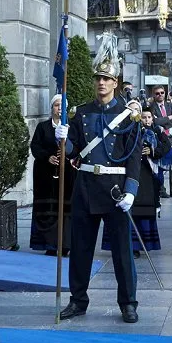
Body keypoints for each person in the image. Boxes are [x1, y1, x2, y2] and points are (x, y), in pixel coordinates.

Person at [55, 32, 142, 323]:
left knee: (122, 252)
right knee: (79, 249)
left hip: (115, 190)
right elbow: (74, 152)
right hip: (85, 187)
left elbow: (132, 156)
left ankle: (128, 302)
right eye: (98, 78)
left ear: (115, 82)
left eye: (106, 78)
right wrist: (63, 138)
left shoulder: (128, 115)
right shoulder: (80, 113)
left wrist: (131, 190)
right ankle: (78, 300)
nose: (101, 83)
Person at [101, 106, 170, 258]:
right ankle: (124, 245)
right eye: (141, 116)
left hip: (146, 176)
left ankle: (140, 244)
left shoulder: (156, 132)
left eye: (148, 117)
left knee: (142, 210)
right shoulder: (121, 129)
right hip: (124, 174)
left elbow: (166, 148)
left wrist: (152, 151)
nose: (145, 120)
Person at [29, 94, 75, 256]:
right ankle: (49, 244)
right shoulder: (43, 127)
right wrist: (48, 156)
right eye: (56, 105)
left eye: (62, 106)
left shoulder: (72, 127)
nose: (59, 109)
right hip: (46, 175)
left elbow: (77, 147)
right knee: (48, 209)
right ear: (52, 108)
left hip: (67, 175)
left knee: (66, 209)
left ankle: (66, 244)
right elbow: (35, 147)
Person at [151, 85, 172, 199]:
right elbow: (154, 122)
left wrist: (165, 121)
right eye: (157, 93)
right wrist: (168, 118)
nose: (160, 95)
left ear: (165, 93)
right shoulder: (152, 107)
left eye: (162, 93)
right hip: (161, 139)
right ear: (154, 95)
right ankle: (161, 189)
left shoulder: (171, 106)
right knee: (160, 164)